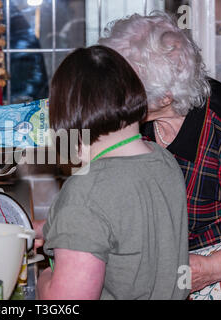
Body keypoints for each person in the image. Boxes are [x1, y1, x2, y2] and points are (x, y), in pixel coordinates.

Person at [97, 12, 221, 299]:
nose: (114, 96)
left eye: (125, 89)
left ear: (165, 97)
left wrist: (210, 268)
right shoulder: (137, 119)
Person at [36, 45, 190, 300]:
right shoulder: (164, 161)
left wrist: (45, 277)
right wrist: (51, 228)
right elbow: (125, 226)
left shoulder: (85, 193)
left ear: (66, 118)